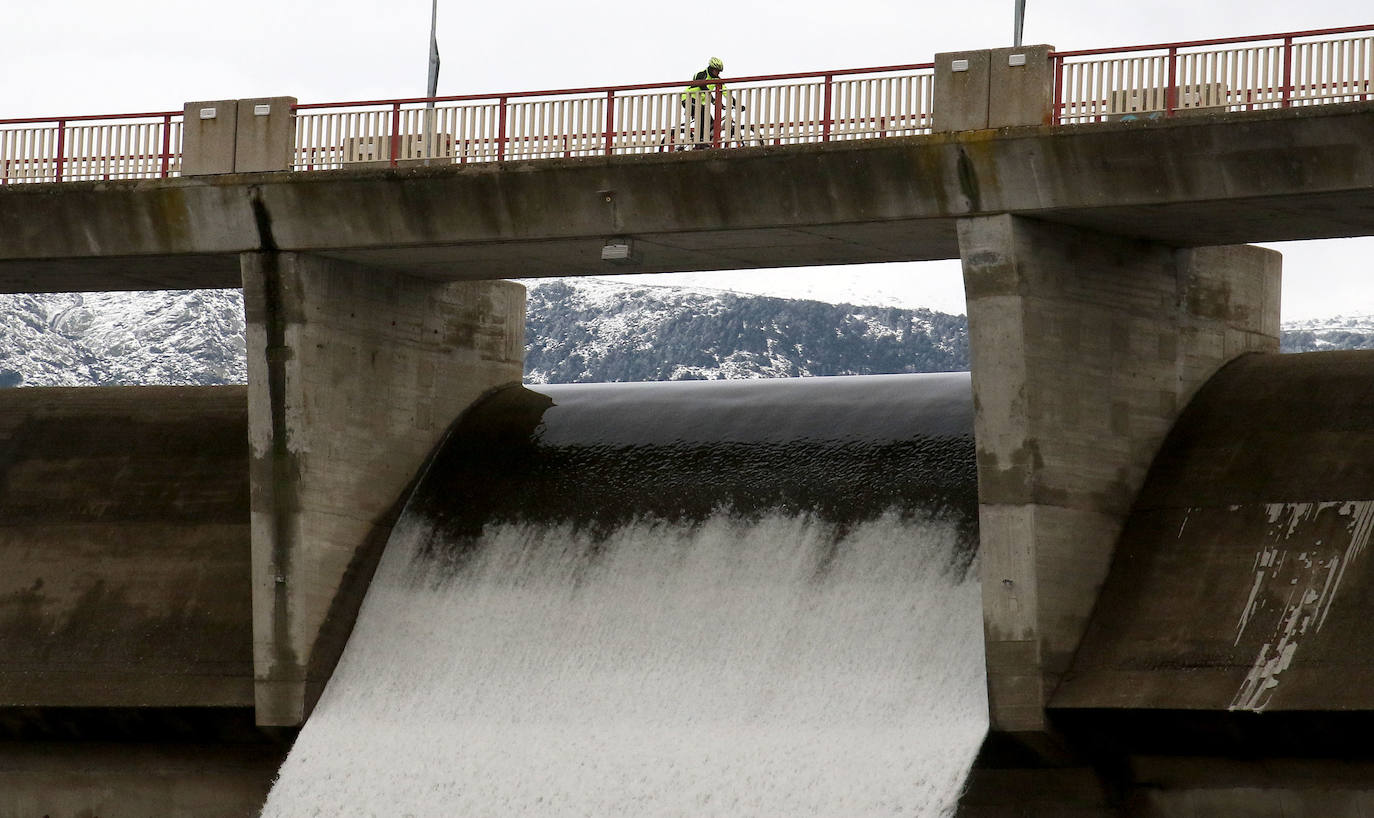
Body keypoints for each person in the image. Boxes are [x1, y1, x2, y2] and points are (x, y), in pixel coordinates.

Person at [680, 57, 727, 149]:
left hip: (700, 103)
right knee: (702, 112)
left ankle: (703, 141)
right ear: (711, 68)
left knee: (711, 123)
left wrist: (735, 103)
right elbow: (702, 86)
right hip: (688, 99)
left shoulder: (717, 80)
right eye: (717, 71)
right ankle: (700, 141)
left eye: (719, 71)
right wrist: (713, 100)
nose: (718, 73)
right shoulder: (701, 74)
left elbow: (725, 91)